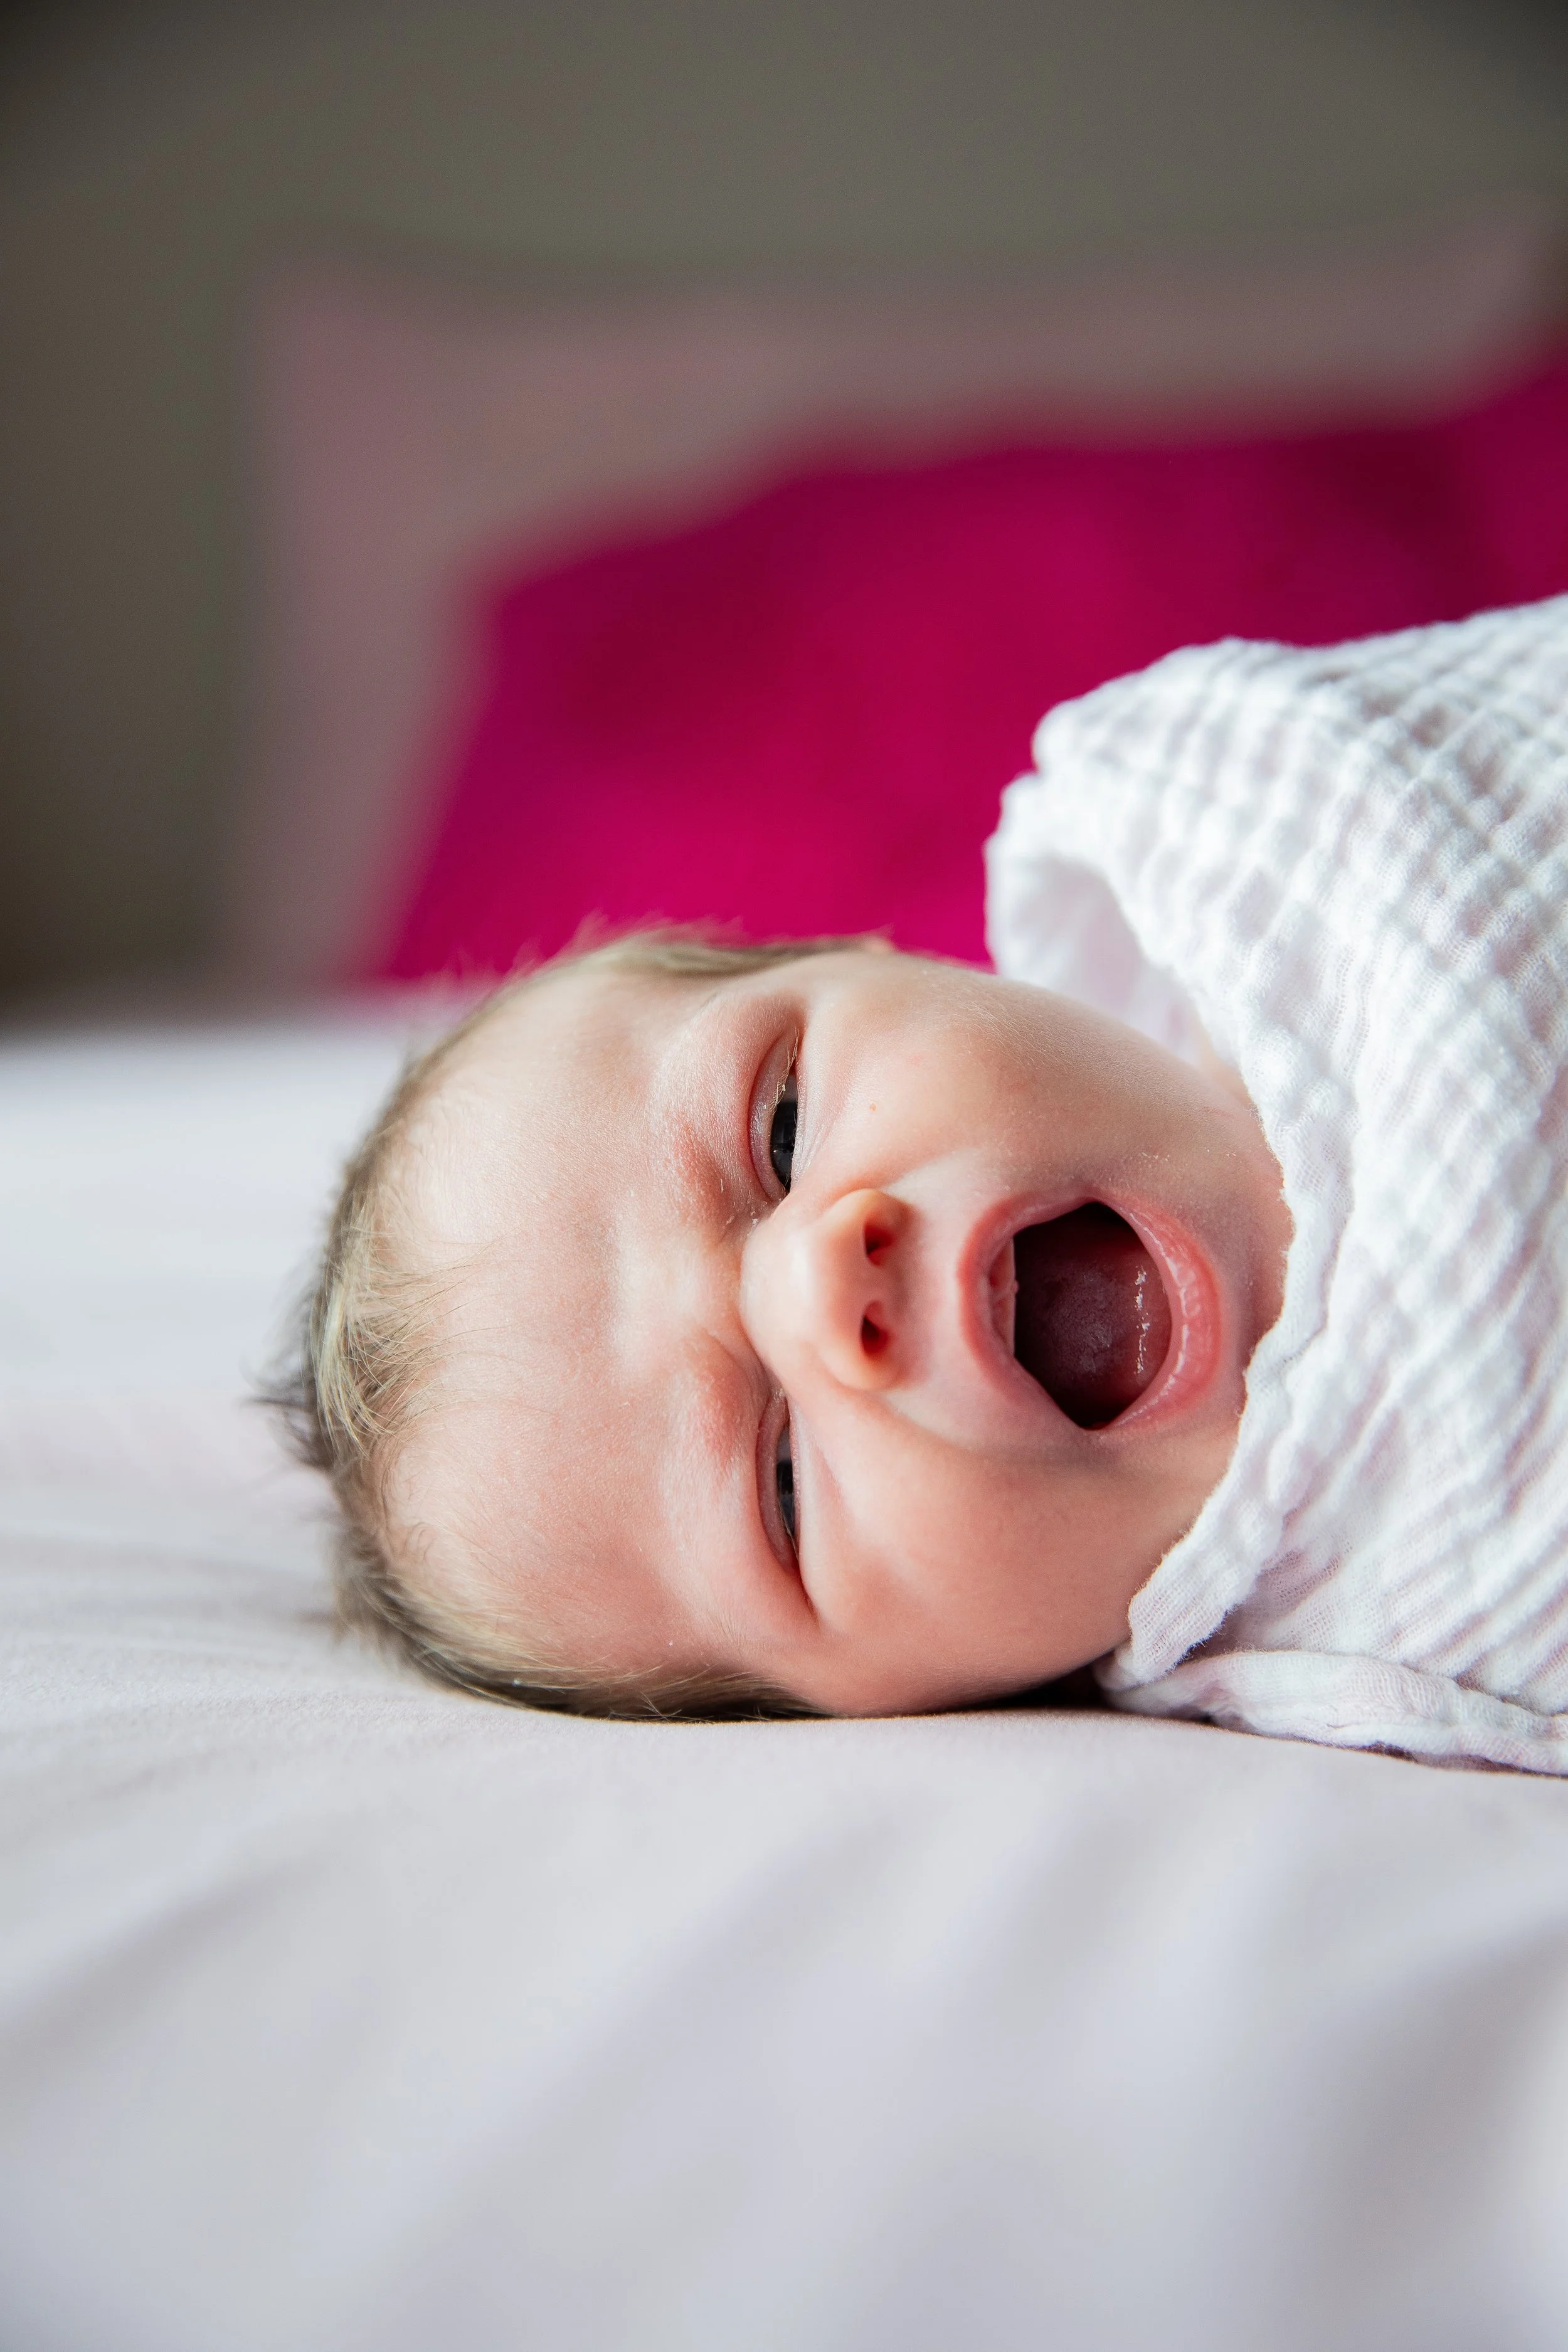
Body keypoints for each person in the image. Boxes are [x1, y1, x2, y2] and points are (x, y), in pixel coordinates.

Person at [280, 595, 1568, 1771]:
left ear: (892, 961)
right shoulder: (1379, 1666)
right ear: (902, 1702)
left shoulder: (1281, 824)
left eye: (779, 1130)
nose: (817, 1287)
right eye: (780, 1490)